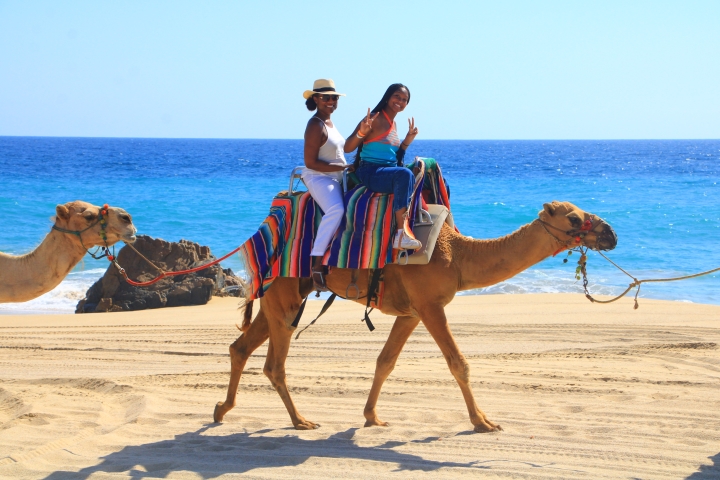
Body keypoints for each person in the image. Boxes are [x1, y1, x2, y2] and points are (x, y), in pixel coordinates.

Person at [344, 83, 421, 250]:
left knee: (423, 169)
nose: (400, 101)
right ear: (388, 97)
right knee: (405, 175)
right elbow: (347, 148)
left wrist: (407, 141)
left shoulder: (394, 124)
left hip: (385, 170)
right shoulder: (374, 118)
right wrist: (361, 132)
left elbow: (393, 158)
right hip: (370, 171)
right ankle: (401, 234)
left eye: (404, 100)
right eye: (397, 97)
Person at [301, 79, 349, 291]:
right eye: (325, 97)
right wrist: (344, 168)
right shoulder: (315, 125)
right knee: (336, 209)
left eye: (334, 97)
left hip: (336, 176)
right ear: (316, 99)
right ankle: (317, 263)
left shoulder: (329, 122)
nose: (331, 101)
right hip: (318, 177)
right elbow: (311, 162)